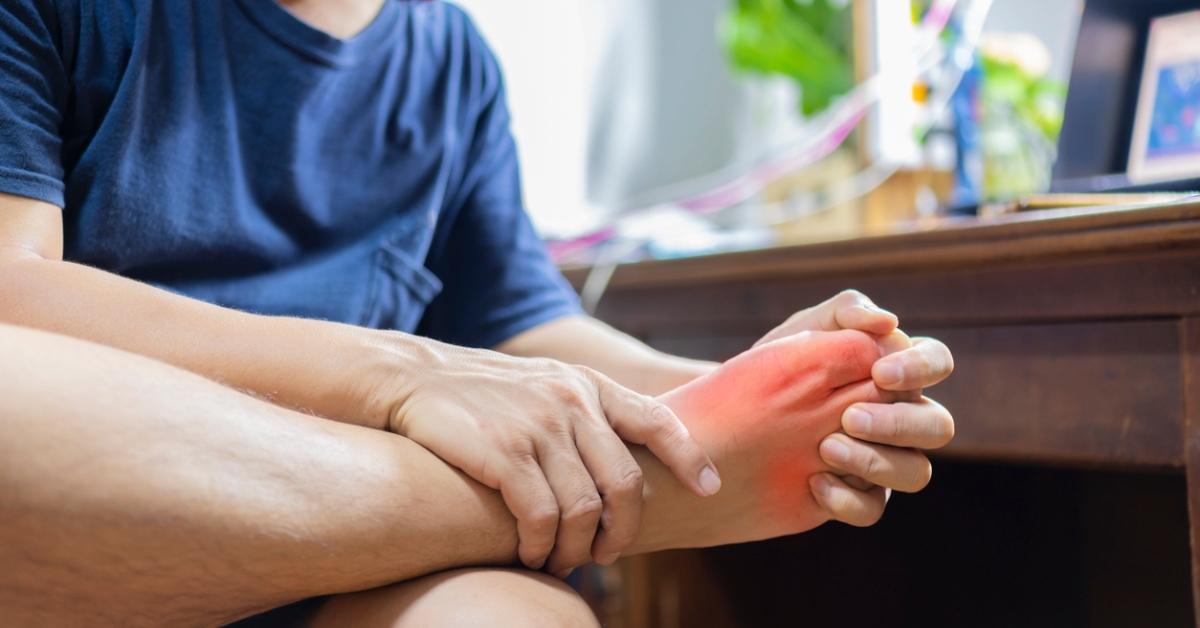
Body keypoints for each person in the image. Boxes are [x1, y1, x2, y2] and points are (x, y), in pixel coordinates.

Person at [0, 1, 955, 625]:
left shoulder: (448, 55)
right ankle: (618, 510)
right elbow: (13, 289)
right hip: (93, 536)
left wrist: (721, 397)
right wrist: (397, 376)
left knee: (519, 621)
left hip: (354, 580)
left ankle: (636, 488)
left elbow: (523, 327)